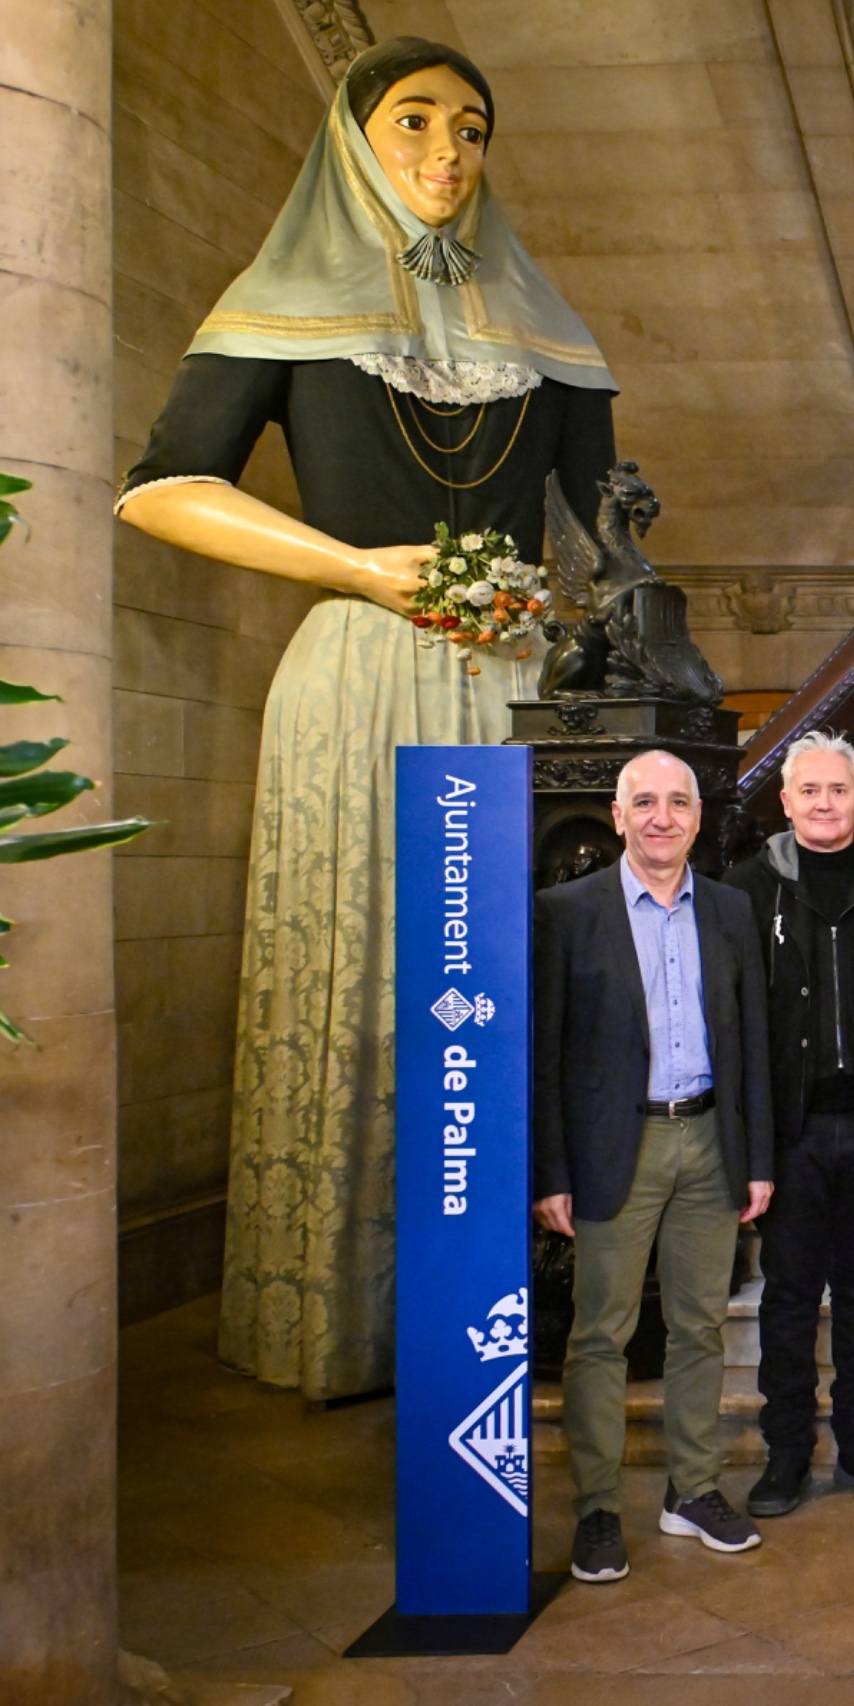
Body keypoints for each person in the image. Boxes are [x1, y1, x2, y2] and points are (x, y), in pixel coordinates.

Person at [117, 35, 619, 1400]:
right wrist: (352, 566)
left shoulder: (549, 336)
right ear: (353, 138)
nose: (447, 151)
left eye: (471, 127)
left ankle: (514, 1309)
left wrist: (559, 612)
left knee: (515, 983)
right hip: (355, 671)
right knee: (360, 975)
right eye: (413, 121)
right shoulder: (282, 305)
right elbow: (162, 486)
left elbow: (605, 549)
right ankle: (345, 1320)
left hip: (519, 687)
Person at [534, 752, 773, 1584]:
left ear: (698, 818)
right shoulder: (566, 913)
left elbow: (751, 1042)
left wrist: (757, 1159)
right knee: (601, 1334)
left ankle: (693, 1490)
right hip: (613, 1147)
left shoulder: (732, 911)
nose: (662, 817)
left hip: (708, 1140)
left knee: (699, 1326)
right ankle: (598, 1509)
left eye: (677, 802)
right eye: (645, 803)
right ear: (618, 814)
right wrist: (551, 1170)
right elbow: (546, 1055)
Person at [727, 733, 854, 1519]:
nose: (823, 803)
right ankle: (786, 1453)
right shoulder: (746, 891)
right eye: (808, 790)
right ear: (785, 802)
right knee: (787, 1298)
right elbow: (734, 1023)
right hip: (791, 1135)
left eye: (837, 790)